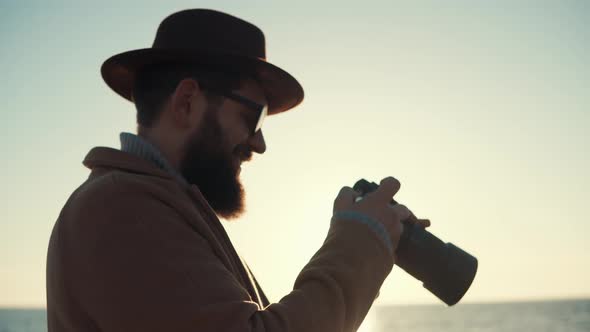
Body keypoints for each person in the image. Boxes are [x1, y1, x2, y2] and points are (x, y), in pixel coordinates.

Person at [46, 8, 430, 332]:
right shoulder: (122, 208)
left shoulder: (155, 206)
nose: (259, 143)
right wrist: (359, 244)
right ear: (187, 102)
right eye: (254, 115)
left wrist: (368, 246)